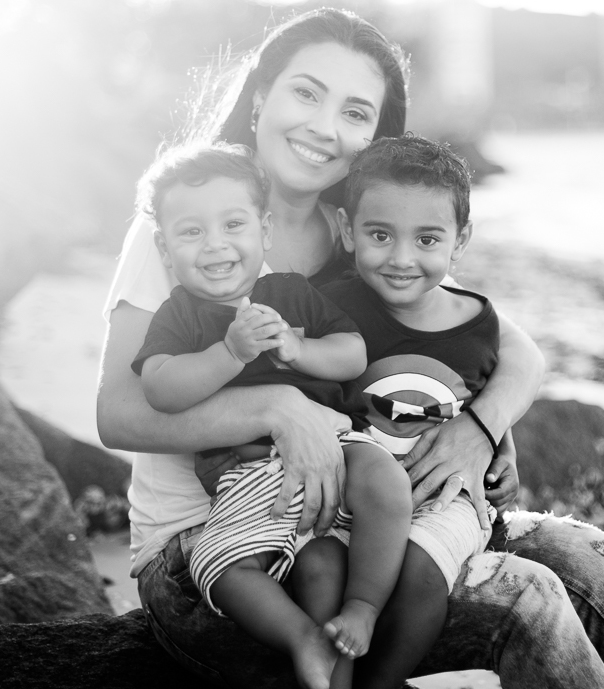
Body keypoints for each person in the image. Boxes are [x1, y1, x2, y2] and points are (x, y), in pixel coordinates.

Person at [97, 7, 604, 688]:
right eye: (306, 93)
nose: (323, 127)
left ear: (374, 134)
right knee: (528, 600)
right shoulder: (193, 223)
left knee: (585, 554)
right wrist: (278, 407)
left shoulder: (366, 231)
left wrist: (478, 428)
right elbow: (119, 415)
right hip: (217, 552)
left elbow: (517, 353)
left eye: (355, 111)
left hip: (357, 519)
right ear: (260, 97)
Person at [130, 143, 411, 689]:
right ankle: (304, 638)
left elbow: (353, 353)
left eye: (232, 224)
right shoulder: (180, 315)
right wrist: (228, 354)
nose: (215, 245)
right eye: (191, 233)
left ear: (263, 231)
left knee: (383, 482)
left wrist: (297, 350)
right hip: (242, 479)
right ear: (165, 249)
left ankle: (363, 609)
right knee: (223, 566)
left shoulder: (289, 292)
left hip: (333, 452)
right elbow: (160, 389)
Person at [299, 135, 502, 688]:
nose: (401, 258)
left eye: (428, 238)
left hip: (442, 501)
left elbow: (482, 399)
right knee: (319, 567)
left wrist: (500, 443)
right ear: (347, 230)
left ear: (460, 241)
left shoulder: (479, 323)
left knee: (419, 569)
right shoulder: (332, 309)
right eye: (380, 235)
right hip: (355, 497)